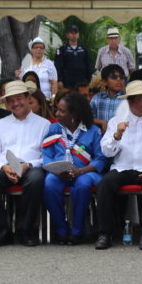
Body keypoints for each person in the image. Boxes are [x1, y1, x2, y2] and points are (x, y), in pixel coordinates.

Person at [0, 80, 50, 247]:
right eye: (10, 100)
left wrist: (27, 165)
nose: (15, 103)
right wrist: (3, 167)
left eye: (19, 98)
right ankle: (2, 229)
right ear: (6, 103)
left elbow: (46, 157)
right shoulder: (0, 124)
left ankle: (26, 229)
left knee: (36, 180)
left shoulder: (43, 124)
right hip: (5, 167)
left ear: (27, 97)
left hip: (31, 166)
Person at [96, 81, 142, 250]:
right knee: (105, 183)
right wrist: (117, 135)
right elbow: (106, 151)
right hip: (122, 167)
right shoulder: (116, 121)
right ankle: (105, 233)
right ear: (130, 102)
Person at [42, 92, 105, 245]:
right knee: (49, 185)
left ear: (74, 113)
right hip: (59, 172)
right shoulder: (53, 129)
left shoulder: (92, 131)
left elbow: (101, 158)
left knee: (82, 186)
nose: (57, 113)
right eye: (57, 109)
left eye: (62, 111)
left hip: (86, 171)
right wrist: (55, 170)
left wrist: (81, 171)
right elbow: (46, 154)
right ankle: (62, 230)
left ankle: (77, 231)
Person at [54, 25, 92, 92]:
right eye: (71, 33)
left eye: (75, 33)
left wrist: (89, 80)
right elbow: (58, 66)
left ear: (78, 35)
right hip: (67, 81)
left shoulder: (84, 49)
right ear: (67, 35)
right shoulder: (62, 49)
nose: (74, 35)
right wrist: (59, 80)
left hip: (82, 80)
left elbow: (88, 65)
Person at [90, 63, 127, 130]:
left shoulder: (127, 99)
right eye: (114, 77)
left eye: (122, 77)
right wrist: (101, 122)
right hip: (101, 137)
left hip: (122, 136)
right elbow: (88, 118)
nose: (119, 79)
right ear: (104, 82)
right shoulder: (97, 98)